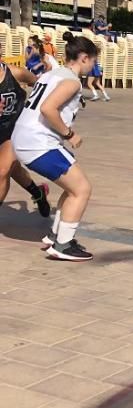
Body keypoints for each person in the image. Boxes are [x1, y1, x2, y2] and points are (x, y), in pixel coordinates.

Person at [12, 32, 97, 261]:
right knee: (82, 189)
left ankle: (55, 236)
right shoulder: (70, 81)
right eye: (93, 60)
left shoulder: (52, 74)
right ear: (83, 58)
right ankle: (63, 245)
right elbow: (48, 109)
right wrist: (70, 134)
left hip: (25, 139)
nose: (94, 66)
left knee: (72, 187)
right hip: (38, 143)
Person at [0, 60, 51, 217]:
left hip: (12, 130)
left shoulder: (16, 73)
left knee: (3, 171)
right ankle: (38, 193)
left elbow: (40, 85)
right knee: (14, 170)